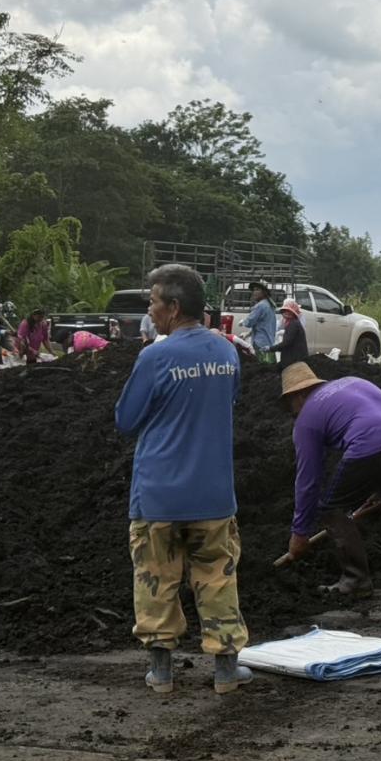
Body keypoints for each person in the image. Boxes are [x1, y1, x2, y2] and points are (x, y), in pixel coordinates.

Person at [114, 263, 251, 696]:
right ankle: (226, 671)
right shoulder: (226, 352)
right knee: (218, 577)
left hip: (159, 493)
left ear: (173, 307)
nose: (150, 310)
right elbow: (227, 402)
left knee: (156, 578)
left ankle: (161, 672)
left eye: (153, 302)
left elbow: (126, 419)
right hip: (213, 492)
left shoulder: (154, 356)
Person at [280, 362, 381, 596]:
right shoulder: (351, 382)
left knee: (331, 507)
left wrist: (299, 533)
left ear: (298, 395)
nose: (293, 413)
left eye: (290, 406)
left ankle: (356, 579)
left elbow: (308, 482)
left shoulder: (306, 419)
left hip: (371, 444)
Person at [242, 281, 278, 363]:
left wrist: (243, 322)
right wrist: (248, 334)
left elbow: (249, 323)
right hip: (269, 342)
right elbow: (262, 324)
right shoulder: (270, 304)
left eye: (257, 290)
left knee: (261, 369)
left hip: (260, 343)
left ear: (264, 292)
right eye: (254, 290)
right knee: (269, 368)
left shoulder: (260, 306)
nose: (254, 292)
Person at [274, 298, 309, 369]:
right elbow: (278, 325)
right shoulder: (287, 318)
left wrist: (271, 348)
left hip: (296, 354)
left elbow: (290, 337)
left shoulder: (296, 321)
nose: (285, 313)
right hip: (292, 353)